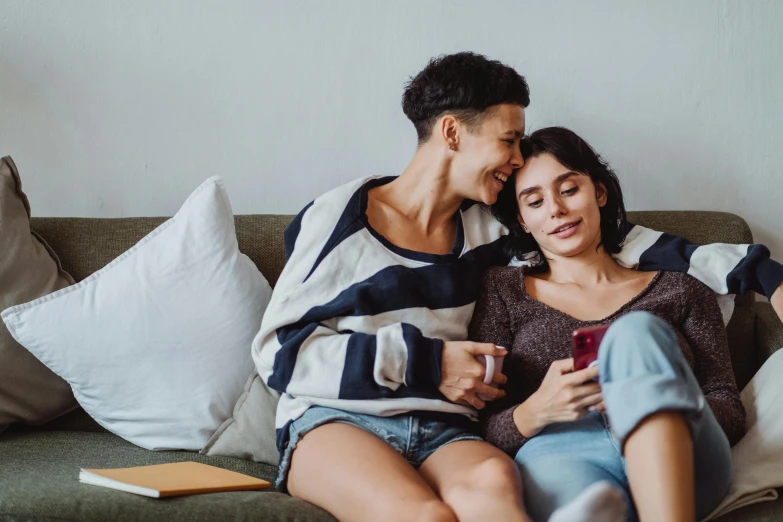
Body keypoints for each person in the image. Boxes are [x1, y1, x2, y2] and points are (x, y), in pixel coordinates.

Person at [253, 52, 783, 522]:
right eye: (508, 139)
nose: (516, 157)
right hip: (344, 418)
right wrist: (432, 364)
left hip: (446, 432)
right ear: (453, 133)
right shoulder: (338, 218)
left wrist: (762, 271)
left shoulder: (491, 231)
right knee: (425, 515)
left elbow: (611, 237)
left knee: (495, 498)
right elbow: (277, 353)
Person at [471, 126, 747, 522]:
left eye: (568, 190)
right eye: (534, 201)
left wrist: (653, 395)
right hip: (563, 454)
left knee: (634, 332)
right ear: (523, 220)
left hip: (681, 451)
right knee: (585, 507)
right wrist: (535, 410)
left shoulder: (681, 290)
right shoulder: (501, 290)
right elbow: (479, 425)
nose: (556, 209)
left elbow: (729, 408)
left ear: (599, 193)